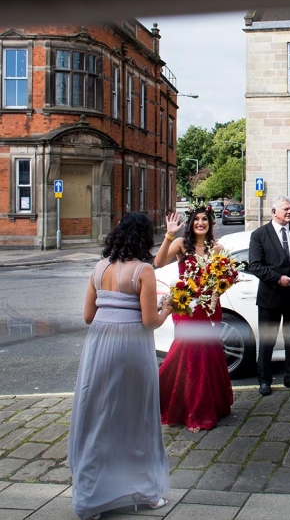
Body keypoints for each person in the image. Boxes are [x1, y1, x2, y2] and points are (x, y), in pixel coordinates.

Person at [69, 212, 170, 520]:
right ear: (143, 238)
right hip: (131, 346)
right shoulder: (144, 270)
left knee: (97, 417)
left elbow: (88, 316)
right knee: (136, 416)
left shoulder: (99, 268)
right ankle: (145, 492)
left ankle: (91, 498)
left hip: (98, 346)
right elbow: (150, 321)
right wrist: (167, 307)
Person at [154, 203, 233, 432]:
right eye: (197, 219)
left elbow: (224, 278)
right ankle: (175, 403)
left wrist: (216, 293)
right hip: (186, 308)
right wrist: (169, 235)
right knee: (188, 351)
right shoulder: (181, 244)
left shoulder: (216, 248)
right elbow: (158, 263)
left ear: (210, 223)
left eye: (205, 219)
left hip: (209, 310)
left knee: (207, 354)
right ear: (191, 223)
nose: (200, 223)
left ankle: (205, 407)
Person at [247, 195, 290, 396]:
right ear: (273, 211)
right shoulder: (259, 234)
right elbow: (255, 266)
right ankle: (264, 381)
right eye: (286, 209)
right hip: (271, 296)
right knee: (268, 341)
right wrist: (278, 278)